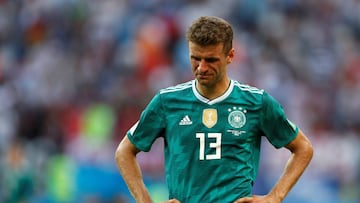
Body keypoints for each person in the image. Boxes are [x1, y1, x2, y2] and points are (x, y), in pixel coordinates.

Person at [115, 16, 313, 203]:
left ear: (230, 56)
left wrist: (275, 197)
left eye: (211, 60)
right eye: (195, 58)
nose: (201, 68)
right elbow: (124, 151)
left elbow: (303, 148)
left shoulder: (256, 102)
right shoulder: (167, 102)